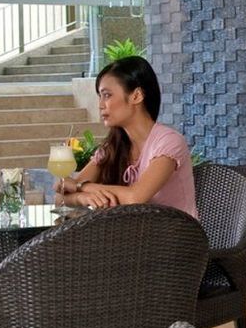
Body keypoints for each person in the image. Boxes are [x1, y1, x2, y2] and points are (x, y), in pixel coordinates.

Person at [55, 55, 198, 219]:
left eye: (107, 95)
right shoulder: (112, 147)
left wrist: (81, 186)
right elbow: (60, 197)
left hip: (175, 240)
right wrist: (81, 197)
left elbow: (135, 197)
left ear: (136, 96)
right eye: (100, 96)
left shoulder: (169, 142)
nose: (100, 105)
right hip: (131, 238)